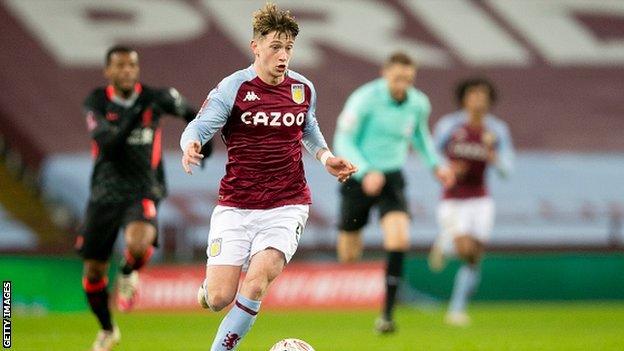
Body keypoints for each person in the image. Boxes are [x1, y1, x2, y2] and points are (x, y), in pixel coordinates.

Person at [179, 3, 356, 351]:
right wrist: (191, 144)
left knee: (257, 282)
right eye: (275, 46)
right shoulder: (234, 89)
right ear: (255, 47)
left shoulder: (302, 89)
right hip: (237, 205)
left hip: (286, 204)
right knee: (218, 298)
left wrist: (326, 157)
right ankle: (208, 289)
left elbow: (308, 126)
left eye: (288, 47)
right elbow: (199, 125)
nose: (283, 55)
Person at [78, 45, 212, 351]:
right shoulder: (96, 103)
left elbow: (195, 114)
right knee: (94, 272)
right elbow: (109, 146)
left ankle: (128, 271)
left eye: (131, 66)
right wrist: (138, 113)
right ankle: (108, 329)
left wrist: (205, 142)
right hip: (104, 193)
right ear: (108, 71)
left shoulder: (156, 97)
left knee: (139, 245)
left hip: (143, 188)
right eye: (120, 66)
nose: (127, 71)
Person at [333, 52, 454, 334]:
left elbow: (421, 136)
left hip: (392, 177)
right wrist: (365, 170)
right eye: (398, 78)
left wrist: (436, 165)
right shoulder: (363, 99)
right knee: (349, 255)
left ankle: (386, 316)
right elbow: (343, 138)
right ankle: (382, 302)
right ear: (385, 73)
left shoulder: (418, 103)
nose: (403, 84)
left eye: (409, 79)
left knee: (399, 239)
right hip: (357, 176)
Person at [428, 77, 514, 326]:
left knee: (474, 256)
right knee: (465, 249)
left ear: (489, 100)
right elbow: (431, 154)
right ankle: (446, 242)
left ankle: (456, 309)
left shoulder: (497, 130)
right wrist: (449, 168)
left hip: (481, 200)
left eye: (483, 95)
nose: (478, 100)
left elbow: (507, 170)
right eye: (473, 94)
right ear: (464, 98)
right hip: (453, 199)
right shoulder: (450, 126)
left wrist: (493, 155)